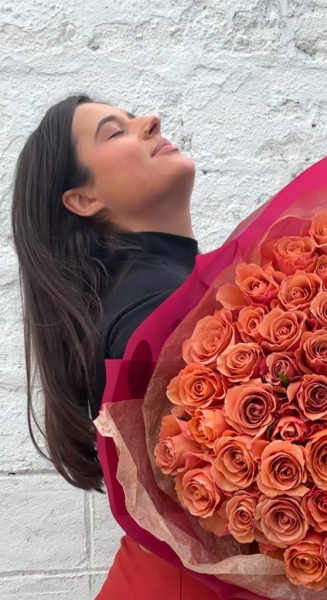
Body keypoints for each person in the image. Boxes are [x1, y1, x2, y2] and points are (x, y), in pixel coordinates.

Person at [11, 94, 220, 599]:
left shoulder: (143, 291)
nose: (151, 121)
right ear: (84, 200)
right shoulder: (153, 305)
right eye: (115, 131)